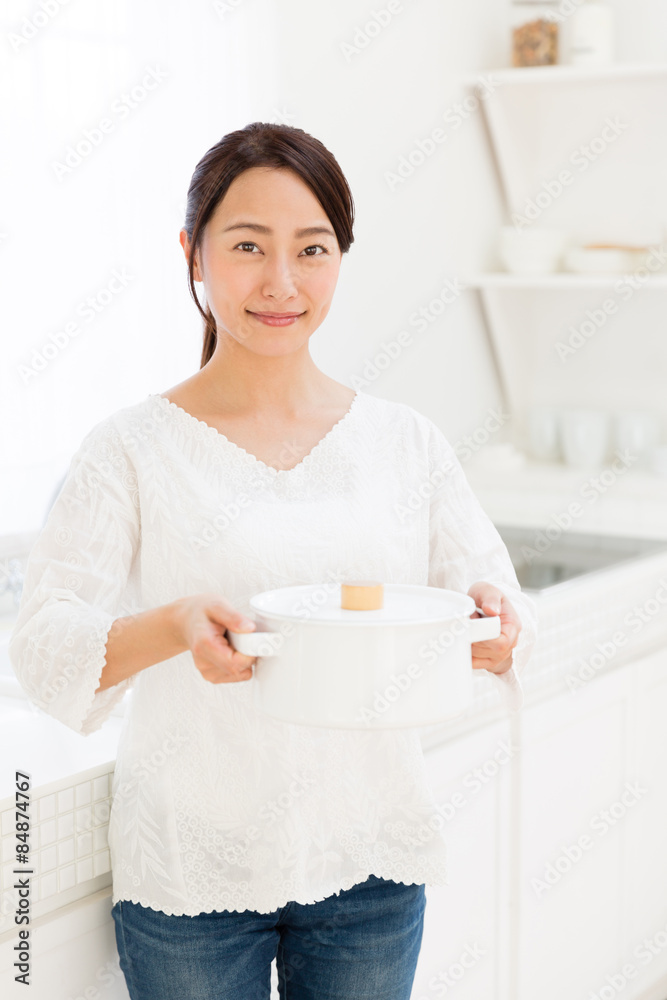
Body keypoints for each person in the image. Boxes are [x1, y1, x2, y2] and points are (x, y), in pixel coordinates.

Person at [10, 122, 537, 1000]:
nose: (281, 283)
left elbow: (495, 602)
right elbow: (44, 646)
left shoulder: (404, 443)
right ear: (193, 254)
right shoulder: (129, 450)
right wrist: (175, 624)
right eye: (248, 246)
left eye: (312, 249)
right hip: (190, 871)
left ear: (341, 258)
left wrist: (496, 623)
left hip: (371, 856)